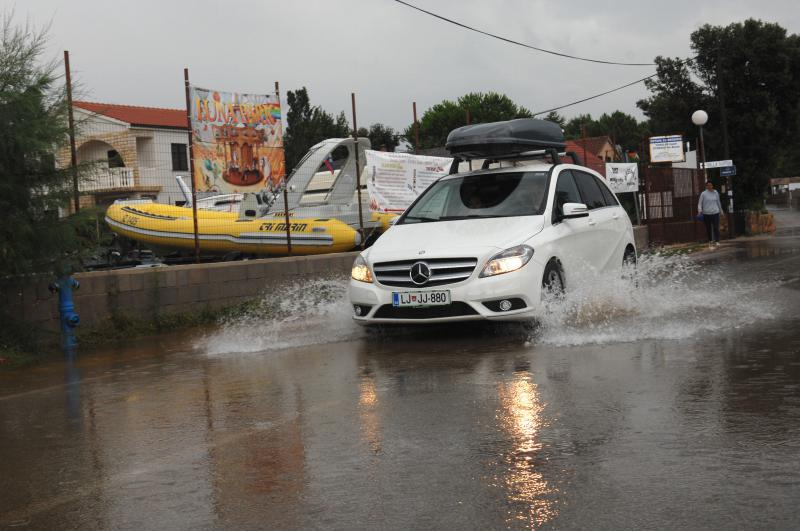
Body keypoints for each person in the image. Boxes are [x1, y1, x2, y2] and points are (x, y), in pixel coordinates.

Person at [698, 181, 723, 247]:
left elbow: (718, 202)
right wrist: (700, 210)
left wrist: (721, 210)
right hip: (706, 213)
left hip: (715, 212)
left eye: (710, 185)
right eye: (708, 185)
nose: (709, 186)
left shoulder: (716, 192)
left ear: (712, 186)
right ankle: (710, 240)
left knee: (716, 227)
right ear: (706, 186)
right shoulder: (703, 194)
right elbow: (700, 203)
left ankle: (717, 241)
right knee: (708, 228)